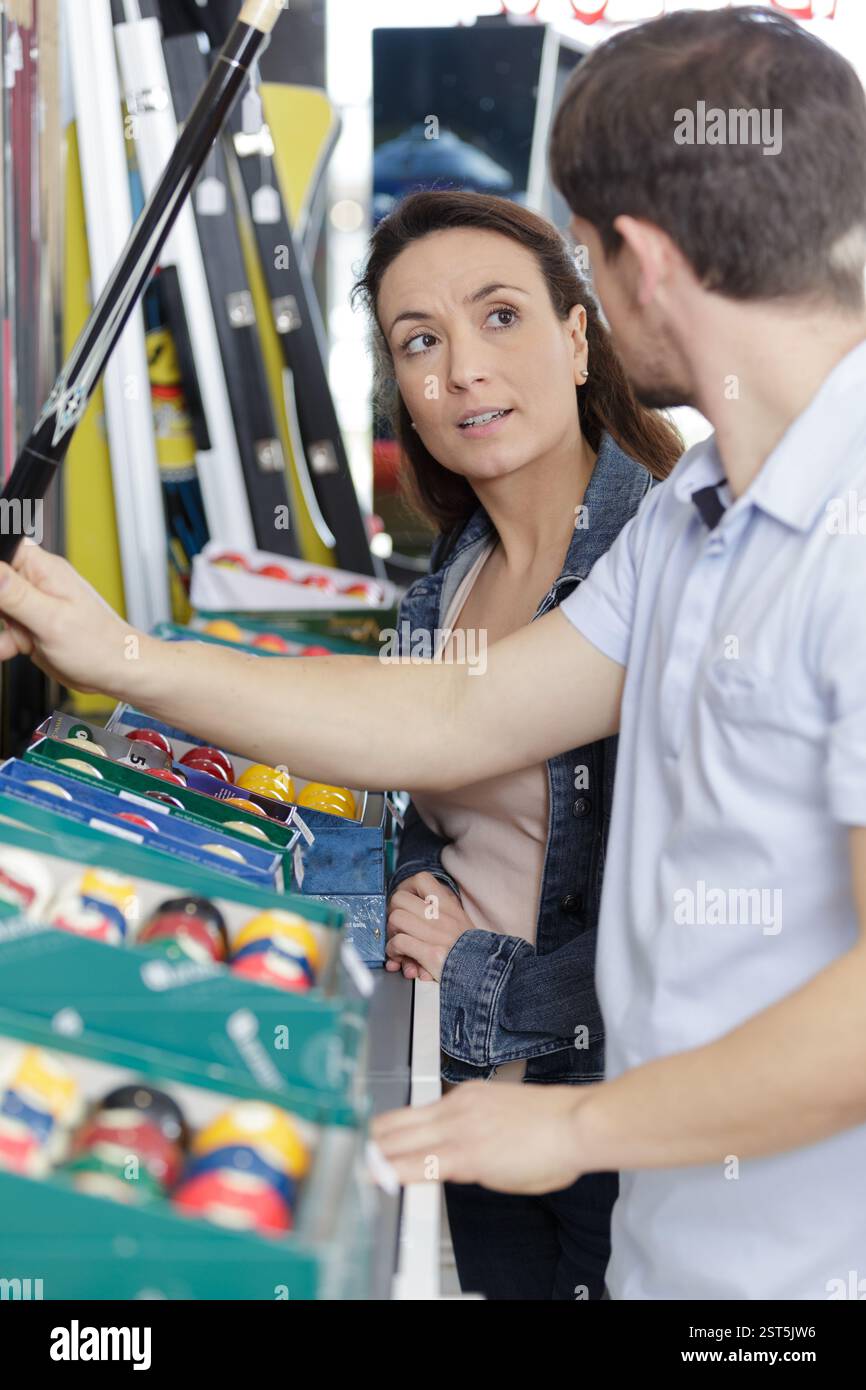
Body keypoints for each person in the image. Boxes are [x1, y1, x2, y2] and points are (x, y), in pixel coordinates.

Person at [1, 5, 865, 1299]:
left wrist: (573, 1122)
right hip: (668, 1249)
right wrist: (117, 654)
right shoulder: (698, 522)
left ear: (628, 262)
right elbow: (454, 715)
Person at [353, 187, 680, 1299]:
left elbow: (711, 927)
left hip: (614, 1121)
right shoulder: (443, 585)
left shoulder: (670, 568)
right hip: (471, 1093)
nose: (459, 371)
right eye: (419, 341)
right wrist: (410, 901)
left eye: (500, 317)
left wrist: (478, 974)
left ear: (577, 336)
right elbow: (423, 815)